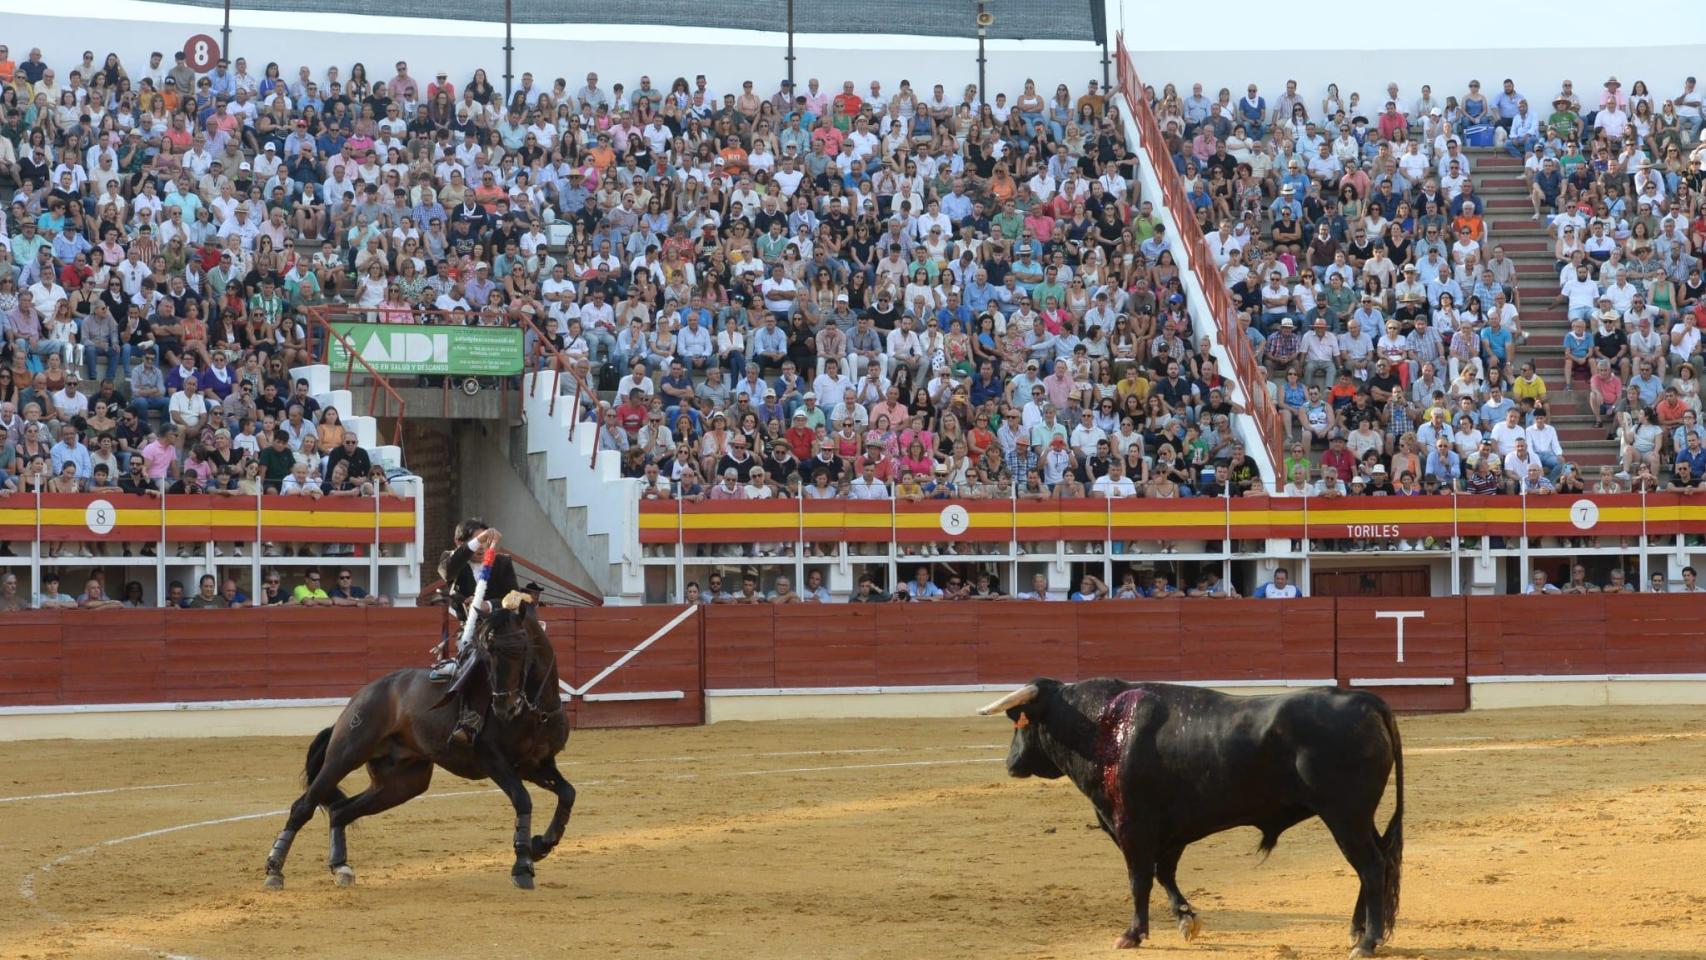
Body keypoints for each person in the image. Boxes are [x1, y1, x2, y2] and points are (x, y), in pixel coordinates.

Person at [434, 519, 545, 746]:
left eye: (486, 540)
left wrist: (490, 605)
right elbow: (447, 572)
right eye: (477, 540)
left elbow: (513, 595)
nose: (483, 546)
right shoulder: (451, 560)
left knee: (533, 655)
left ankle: (541, 708)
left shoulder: (502, 562)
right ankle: (470, 719)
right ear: (459, 542)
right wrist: (477, 541)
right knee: (477, 661)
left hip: (503, 625)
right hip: (472, 631)